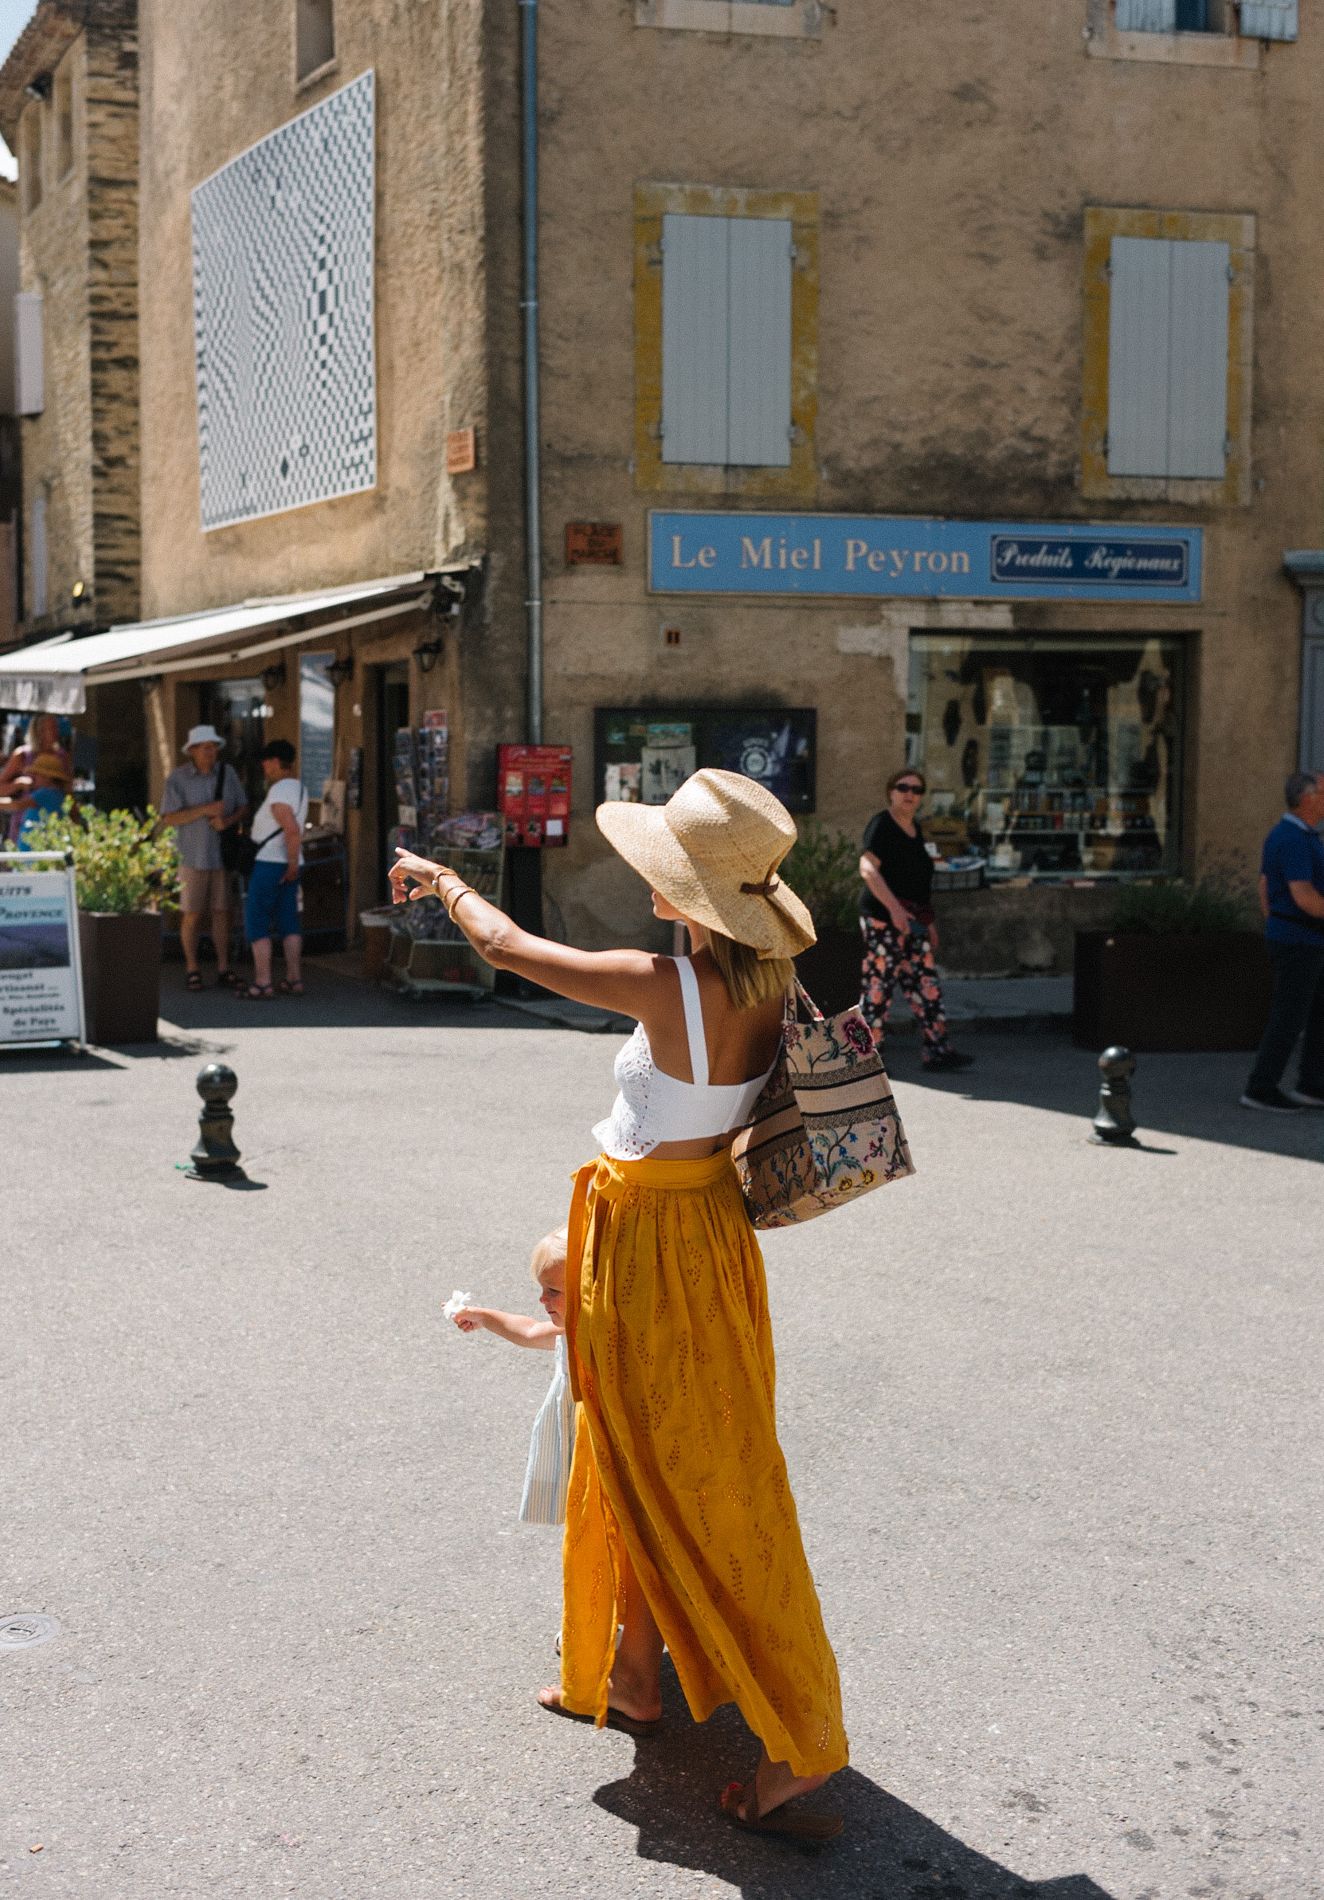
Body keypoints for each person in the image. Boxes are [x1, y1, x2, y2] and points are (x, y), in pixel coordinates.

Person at [390, 770, 848, 1843]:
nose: (652, 890)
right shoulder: (770, 980)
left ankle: (793, 1739)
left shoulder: (665, 983)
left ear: (696, 898)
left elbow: (507, 951)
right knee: (663, 1466)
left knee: (684, 1479)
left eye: (667, 878)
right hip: (713, 1240)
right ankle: (635, 1676)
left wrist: (445, 880)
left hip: (647, 1243)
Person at [446, 1226, 575, 1526]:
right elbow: (529, 1331)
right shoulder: (568, 1329)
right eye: (542, 1289)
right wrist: (484, 1317)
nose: (543, 1300)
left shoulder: (599, 1331)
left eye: (553, 1291)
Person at [859, 769, 972, 1073]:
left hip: (914, 923)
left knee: (926, 987)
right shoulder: (882, 824)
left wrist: (928, 921)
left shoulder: (916, 829)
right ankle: (868, 1061)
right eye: (903, 787)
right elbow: (868, 868)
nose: (910, 794)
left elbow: (917, 882)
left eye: (917, 790)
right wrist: (894, 909)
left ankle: (937, 1051)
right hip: (884, 920)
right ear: (891, 791)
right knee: (878, 990)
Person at [1241, 769, 1324, 1113]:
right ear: (1309, 799)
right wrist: (1284, 926)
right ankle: (1261, 1088)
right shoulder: (1292, 838)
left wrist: (1275, 922)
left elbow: (1264, 887)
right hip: (1299, 941)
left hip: (1301, 938)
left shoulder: (1297, 836)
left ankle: (1312, 1085)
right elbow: (1303, 895)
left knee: (1318, 1013)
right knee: (1289, 1016)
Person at [158, 724, 248, 990]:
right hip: (192, 856)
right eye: (205, 747)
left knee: (222, 913)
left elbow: (243, 807)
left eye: (214, 747)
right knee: (192, 914)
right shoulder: (178, 778)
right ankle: (192, 969)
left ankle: (223, 968)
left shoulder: (227, 773)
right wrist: (204, 810)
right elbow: (169, 817)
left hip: (222, 856)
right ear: (193, 751)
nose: (211, 752)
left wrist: (228, 819)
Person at [239, 738, 309, 1000]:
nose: (263, 766)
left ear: (277, 763)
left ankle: (263, 982)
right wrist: (294, 862)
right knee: (287, 920)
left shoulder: (280, 791)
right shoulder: (299, 788)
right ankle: (293, 979)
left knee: (257, 920)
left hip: (271, 862)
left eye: (267, 761)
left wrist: (290, 862)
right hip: (290, 861)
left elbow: (290, 829)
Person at [0, 714, 74, 845]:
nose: (57, 732)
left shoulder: (62, 757)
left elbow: (69, 794)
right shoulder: (22, 755)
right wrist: (18, 785)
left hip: (50, 827)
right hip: (24, 824)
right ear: (39, 731)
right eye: (52, 728)